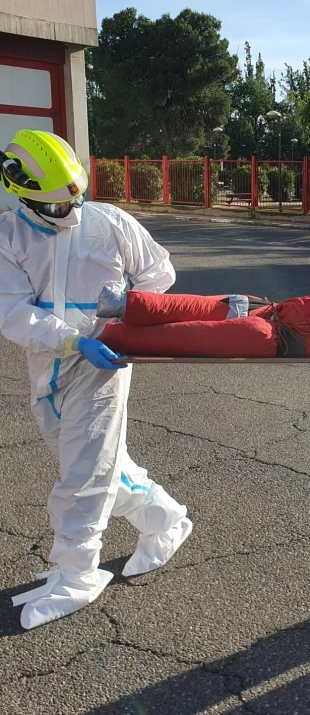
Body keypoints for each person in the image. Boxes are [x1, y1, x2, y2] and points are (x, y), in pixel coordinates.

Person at [0, 130, 192, 629]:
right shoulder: (8, 235)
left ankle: (77, 573)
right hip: (50, 362)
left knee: (82, 473)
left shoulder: (108, 221)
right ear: (21, 191)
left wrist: (126, 322)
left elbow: (159, 273)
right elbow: (11, 309)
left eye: (76, 200)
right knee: (96, 461)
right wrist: (71, 339)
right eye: (59, 206)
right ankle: (166, 520)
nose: (72, 211)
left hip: (105, 363)